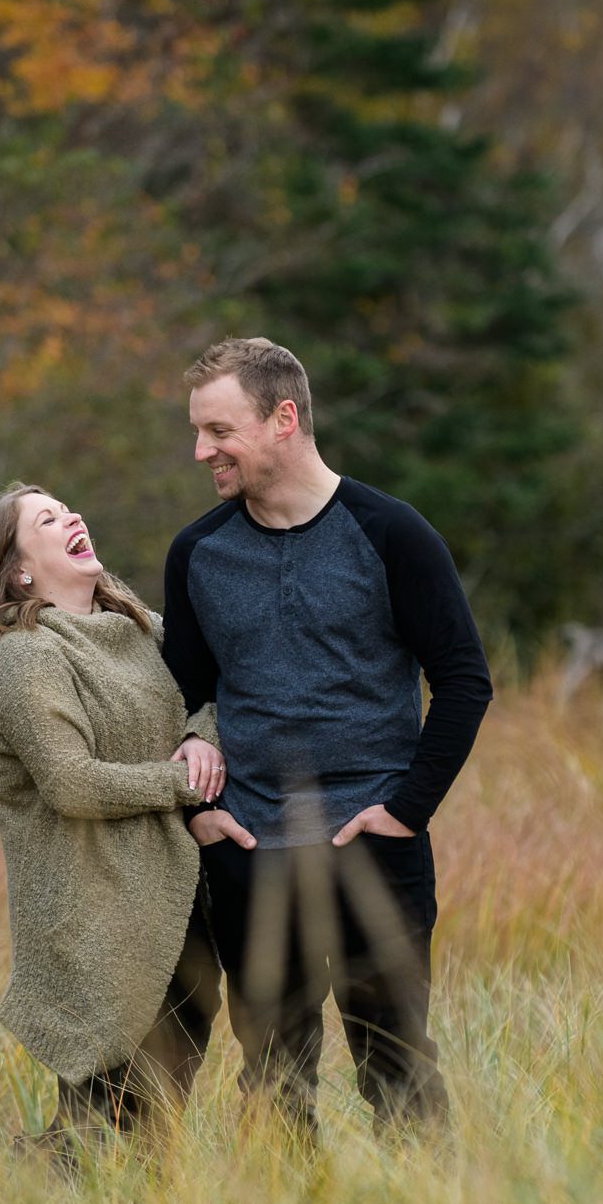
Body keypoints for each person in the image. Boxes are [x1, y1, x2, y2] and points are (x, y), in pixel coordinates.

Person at [161, 337, 493, 1138]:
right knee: (273, 1074)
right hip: (248, 849)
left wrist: (405, 811)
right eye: (198, 432)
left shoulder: (391, 534)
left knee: (399, 1067)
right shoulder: (198, 552)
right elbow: (175, 702)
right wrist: (198, 815)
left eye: (218, 431)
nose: (202, 450)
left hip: (371, 845)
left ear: (284, 418)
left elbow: (463, 680)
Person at [0, 482, 225, 1151]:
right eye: (46, 518)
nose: (72, 515)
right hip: (97, 920)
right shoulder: (24, 657)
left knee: (152, 1117)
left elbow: (211, 693)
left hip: (175, 902)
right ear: (19, 570)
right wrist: (183, 781)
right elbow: (72, 784)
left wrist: (202, 739)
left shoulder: (139, 629)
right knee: (103, 1126)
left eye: (68, 506)